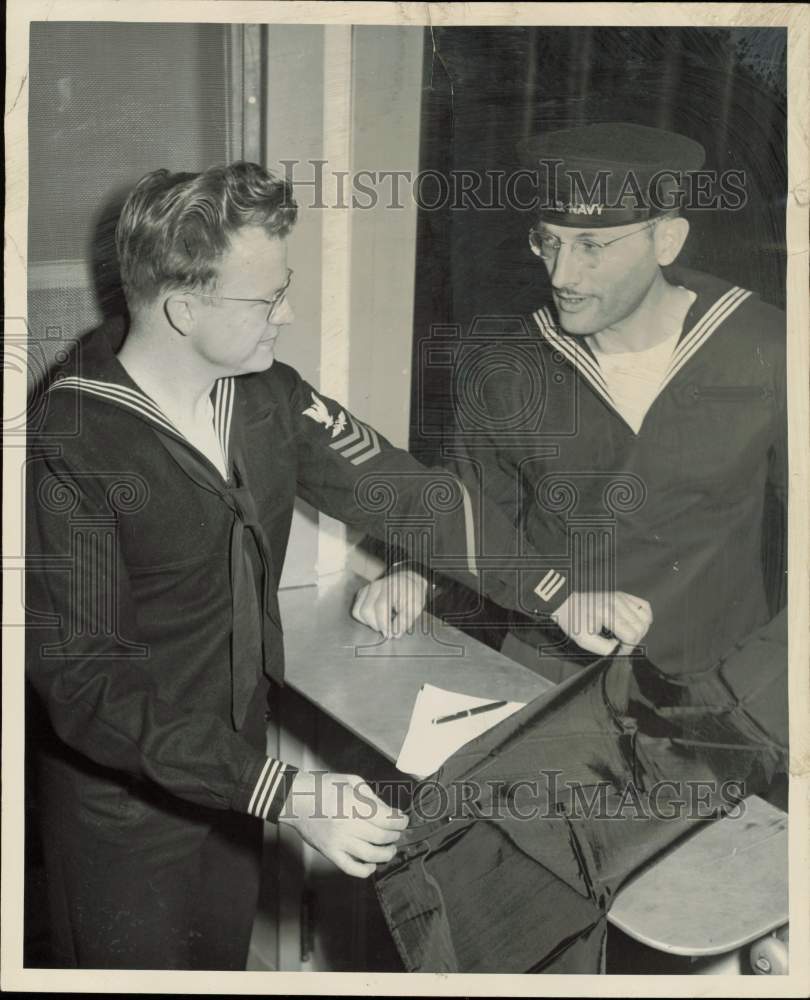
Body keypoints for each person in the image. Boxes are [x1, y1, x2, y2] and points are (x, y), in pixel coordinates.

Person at [24, 161, 652, 970]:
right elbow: (89, 689)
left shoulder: (266, 396)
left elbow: (405, 493)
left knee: (217, 963)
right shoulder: (72, 444)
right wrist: (280, 790)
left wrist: (554, 593)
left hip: (235, 782)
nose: (287, 314)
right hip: (127, 812)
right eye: (265, 299)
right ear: (182, 309)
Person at [355, 122, 786, 685]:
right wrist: (414, 573)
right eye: (549, 241)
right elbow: (473, 503)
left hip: (715, 675)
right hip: (549, 665)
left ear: (666, 241)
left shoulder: (765, 347)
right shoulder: (507, 367)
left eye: (591, 247)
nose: (561, 275)